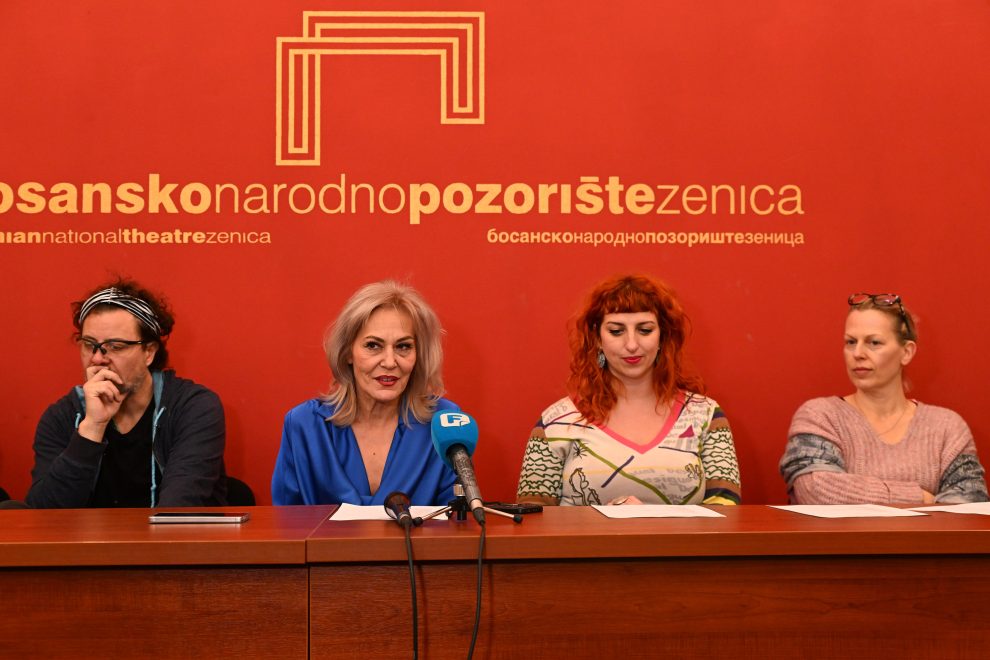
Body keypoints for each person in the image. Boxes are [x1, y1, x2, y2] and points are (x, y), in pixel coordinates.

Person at [516, 274, 741, 506]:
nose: (632, 344)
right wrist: (601, 521)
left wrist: (650, 518)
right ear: (597, 338)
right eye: (616, 331)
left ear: (663, 336)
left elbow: (726, 509)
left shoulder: (705, 415)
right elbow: (531, 516)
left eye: (645, 330)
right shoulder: (556, 421)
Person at [27, 279, 227, 508]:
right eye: (89, 344)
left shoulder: (192, 408)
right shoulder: (61, 417)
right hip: (88, 534)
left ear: (149, 352)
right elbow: (43, 515)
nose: (97, 358)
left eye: (116, 346)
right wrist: (92, 428)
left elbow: (179, 508)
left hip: (166, 533)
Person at [780, 293, 988, 504]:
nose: (857, 353)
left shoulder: (947, 427)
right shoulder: (820, 416)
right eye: (851, 342)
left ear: (906, 352)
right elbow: (817, 490)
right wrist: (920, 498)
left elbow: (969, 504)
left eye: (874, 342)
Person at [271, 280, 458, 506]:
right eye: (373, 346)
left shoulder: (445, 424)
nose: (390, 362)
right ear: (348, 352)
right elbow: (285, 521)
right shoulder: (305, 425)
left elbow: (457, 520)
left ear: (418, 355)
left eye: (403, 346)